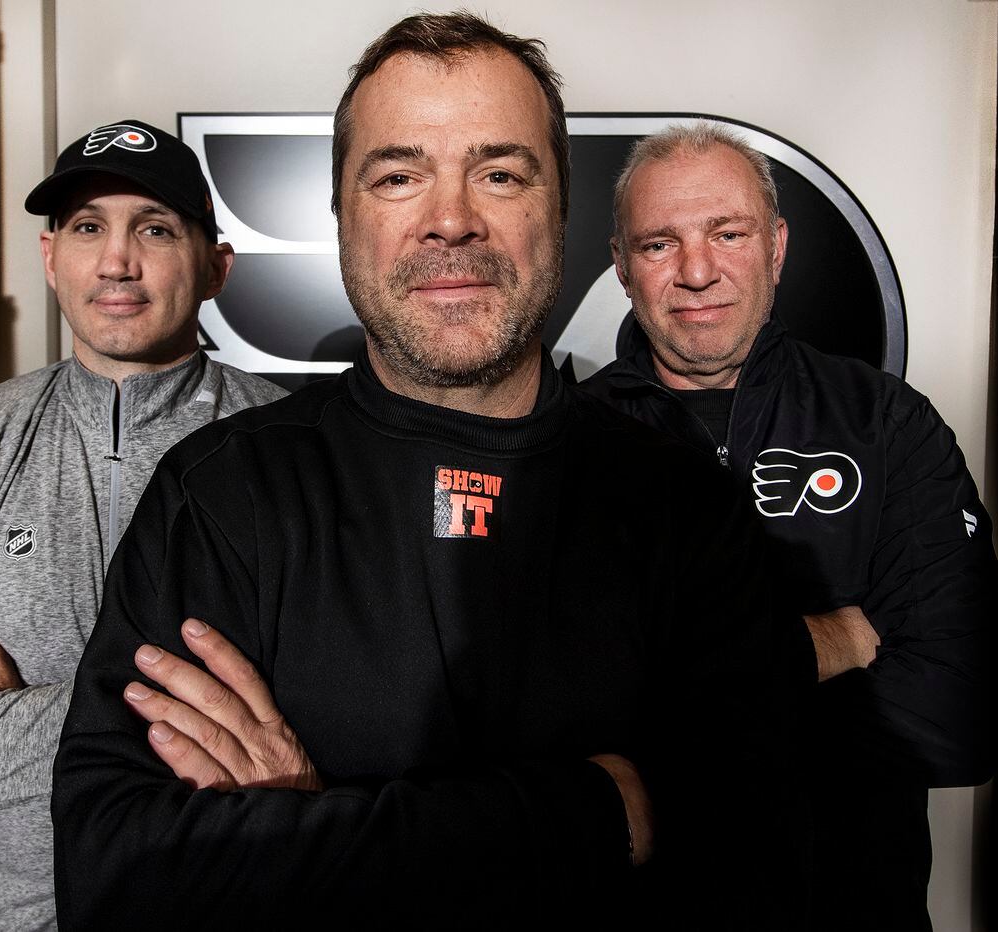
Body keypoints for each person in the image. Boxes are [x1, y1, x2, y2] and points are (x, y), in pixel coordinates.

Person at [53, 13, 792, 928]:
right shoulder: (222, 493)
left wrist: (306, 827)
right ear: (340, 217)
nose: (451, 220)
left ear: (558, 208)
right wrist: (596, 813)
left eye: (500, 173)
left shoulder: (679, 501)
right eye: (400, 176)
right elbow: (117, 876)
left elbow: (758, 859)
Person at [0, 119, 286, 931]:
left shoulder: (293, 449)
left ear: (215, 267)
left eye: (155, 228)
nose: (116, 261)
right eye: (87, 227)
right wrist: (193, 724)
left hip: (226, 904)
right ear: (50, 259)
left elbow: (344, 720)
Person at [577, 123, 998, 930]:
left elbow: (957, 718)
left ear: (775, 247)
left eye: (727, 234)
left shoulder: (888, 425)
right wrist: (826, 642)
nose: (698, 272)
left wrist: (674, 713)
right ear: (623, 266)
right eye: (660, 243)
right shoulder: (567, 448)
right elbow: (552, 723)